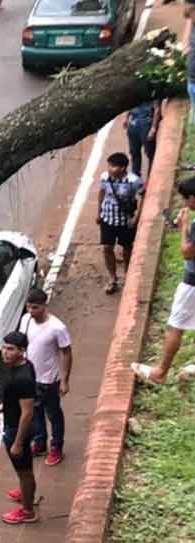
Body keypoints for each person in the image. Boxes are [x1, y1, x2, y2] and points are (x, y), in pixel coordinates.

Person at [132, 176, 195, 383]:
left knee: (175, 325)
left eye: (187, 199)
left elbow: (187, 252)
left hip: (192, 283)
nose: (186, 204)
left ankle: (161, 372)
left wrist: (185, 226)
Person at [0, 331, 38, 525]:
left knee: (25, 472)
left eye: (10, 349)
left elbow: (27, 413)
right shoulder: (20, 366)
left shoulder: (23, 377)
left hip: (17, 429)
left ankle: (28, 511)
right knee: (23, 471)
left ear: (22, 351)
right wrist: (0, 407)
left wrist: (18, 442)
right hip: (10, 422)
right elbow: (15, 399)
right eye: (4, 347)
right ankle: (25, 492)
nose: (5, 352)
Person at [23, 288, 72, 467]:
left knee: (53, 414)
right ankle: (40, 441)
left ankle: (56, 447)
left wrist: (65, 380)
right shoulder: (26, 320)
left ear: (45, 306)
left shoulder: (57, 328)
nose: (31, 311)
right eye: (29, 307)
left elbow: (66, 353)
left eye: (35, 308)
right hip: (31, 377)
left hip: (50, 379)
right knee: (34, 411)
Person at [97, 152, 144, 294]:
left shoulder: (134, 181)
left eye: (113, 166)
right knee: (107, 247)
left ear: (123, 168)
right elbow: (101, 192)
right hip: (108, 218)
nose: (110, 169)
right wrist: (99, 211)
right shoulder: (105, 177)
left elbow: (143, 196)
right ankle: (113, 278)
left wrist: (136, 217)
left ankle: (128, 276)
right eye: (109, 166)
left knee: (127, 249)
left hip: (125, 221)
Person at [124, 100, 160, 180]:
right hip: (133, 123)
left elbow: (157, 109)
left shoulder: (152, 90)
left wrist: (153, 128)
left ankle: (150, 179)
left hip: (146, 123)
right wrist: (127, 118)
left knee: (150, 154)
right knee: (134, 152)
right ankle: (136, 178)